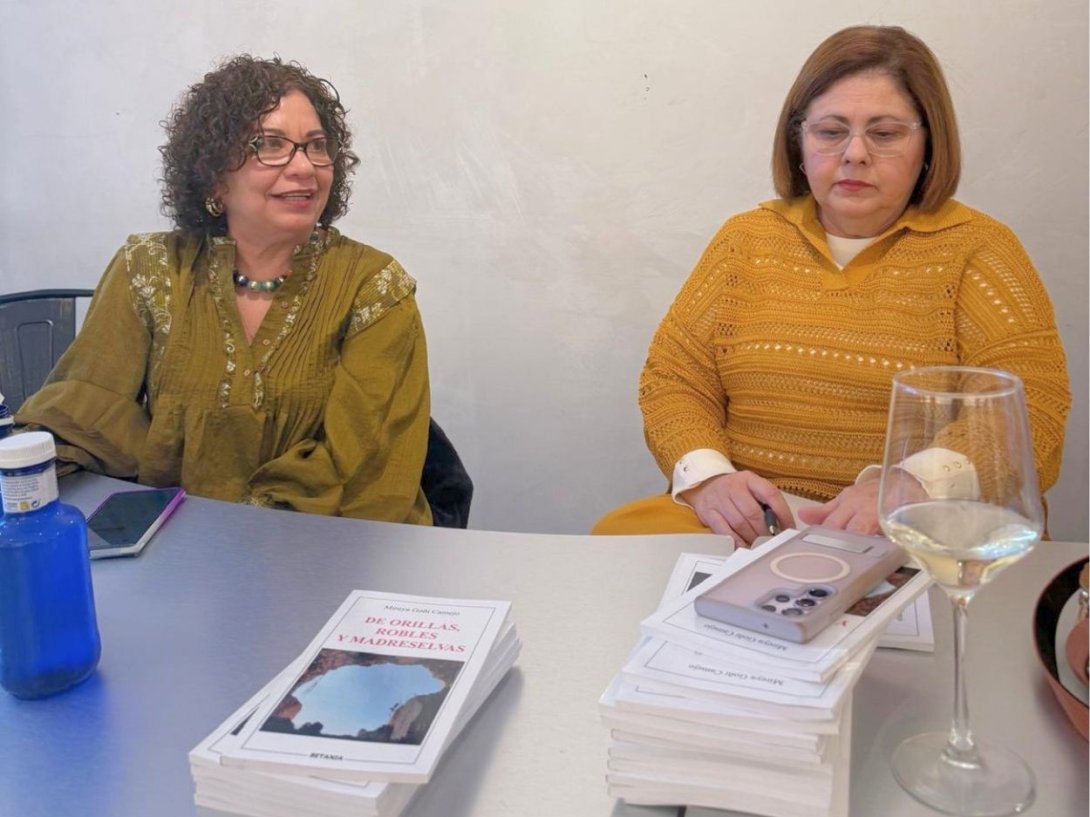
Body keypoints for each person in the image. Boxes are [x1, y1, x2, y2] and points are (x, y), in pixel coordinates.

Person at [594, 25, 1070, 545]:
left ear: (929, 145)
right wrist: (710, 480)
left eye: (885, 134)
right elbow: (675, 378)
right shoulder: (744, 240)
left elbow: (1030, 405)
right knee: (616, 536)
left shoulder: (979, 249)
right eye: (830, 131)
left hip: (918, 525)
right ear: (798, 143)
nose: (855, 154)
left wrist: (912, 485)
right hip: (757, 526)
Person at [16, 56, 433, 524]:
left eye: (317, 146)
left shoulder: (374, 289)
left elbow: (365, 471)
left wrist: (235, 538)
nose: (304, 167)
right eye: (270, 144)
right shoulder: (149, 269)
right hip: (173, 545)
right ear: (215, 175)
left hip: (328, 545)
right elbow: (85, 416)